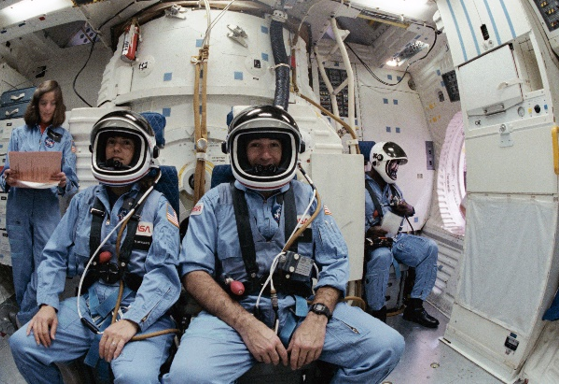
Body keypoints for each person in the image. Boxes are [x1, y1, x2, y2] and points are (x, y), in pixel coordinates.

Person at [165, 106, 404, 384]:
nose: (266, 155)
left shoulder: (309, 199)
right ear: (239, 150)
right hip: (233, 315)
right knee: (186, 377)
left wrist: (318, 317)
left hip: (302, 310)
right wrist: (246, 325)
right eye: (255, 145)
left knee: (387, 346)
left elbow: (335, 263)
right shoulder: (214, 202)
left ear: (289, 150)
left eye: (274, 145)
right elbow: (194, 273)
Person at [8, 111, 180, 383]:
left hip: (141, 312)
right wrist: (47, 303)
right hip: (89, 306)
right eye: (111, 142)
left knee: (134, 378)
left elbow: (164, 275)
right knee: (22, 344)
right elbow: (53, 255)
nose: (116, 149)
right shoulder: (82, 202)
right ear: (99, 148)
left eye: (126, 144)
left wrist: (132, 321)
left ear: (142, 152)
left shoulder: (159, 207)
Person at [0, 79, 80, 325]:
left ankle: (28, 315)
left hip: (46, 208)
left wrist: (64, 180)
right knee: (21, 262)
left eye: (53, 104)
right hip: (19, 206)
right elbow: (2, 175)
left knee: (46, 262)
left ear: (59, 107)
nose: (47, 108)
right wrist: (7, 177)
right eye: (44, 103)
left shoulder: (65, 139)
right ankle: (27, 313)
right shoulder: (18, 134)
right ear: (36, 105)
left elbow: (72, 184)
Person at [363, 141, 440, 328]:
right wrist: (369, 231)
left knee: (430, 248)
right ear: (379, 161)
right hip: (371, 243)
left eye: (397, 164)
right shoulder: (360, 187)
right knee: (382, 256)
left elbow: (408, 208)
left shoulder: (393, 188)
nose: (396, 168)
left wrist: (409, 209)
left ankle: (415, 307)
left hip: (395, 239)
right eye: (393, 163)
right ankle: (377, 312)